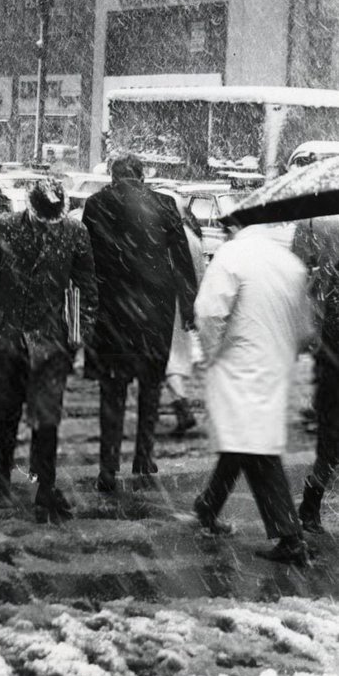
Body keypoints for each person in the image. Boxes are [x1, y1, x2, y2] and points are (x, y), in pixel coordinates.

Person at [0, 178, 98, 521]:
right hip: (7, 335)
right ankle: (1, 473)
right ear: (30, 207)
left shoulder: (74, 232)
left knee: (47, 417)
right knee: (6, 412)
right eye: (41, 219)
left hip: (51, 339)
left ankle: (46, 486)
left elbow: (85, 287)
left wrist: (80, 331)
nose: (46, 227)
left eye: (51, 221)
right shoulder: (1, 228)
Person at [193, 217, 314, 566]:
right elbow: (305, 328)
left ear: (234, 228)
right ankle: (207, 506)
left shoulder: (233, 254)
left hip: (240, 365)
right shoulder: (289, 264)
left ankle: (290, 537)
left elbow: (208, 311)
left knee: (254, 448)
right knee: (245, 439)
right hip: (275, 368)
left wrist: (214, 354)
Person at [82, 154, 197, 490]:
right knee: (150, 387)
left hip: (112, 313)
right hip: (154, 312)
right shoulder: (164, 204)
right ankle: (143, 457)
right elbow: (181, 260)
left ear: (113, 177)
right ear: (142, 176)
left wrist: (85, 310)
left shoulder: (96, 204)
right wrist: (188, 308)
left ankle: (108, 466)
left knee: (113, 391)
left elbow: (87, 259)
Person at [291, 215, 339, 533]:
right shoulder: (319, 224)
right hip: (331, 349)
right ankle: (310, 505)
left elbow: (297, 271)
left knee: (331, 437)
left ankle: (310, 505)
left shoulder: (317, 221)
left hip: (331, 348)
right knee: (331, 436)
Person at [163, 205, 207, 435]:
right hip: (185, 305)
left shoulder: (164, 237)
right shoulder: (193, 239)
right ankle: (183, 405)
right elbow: (199, 276)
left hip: (165, 304)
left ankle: (182, 407)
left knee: (169, 360)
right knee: (177, 357)